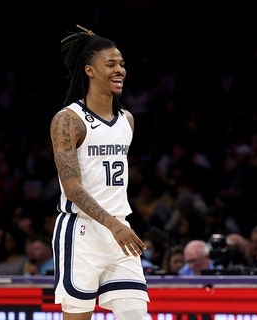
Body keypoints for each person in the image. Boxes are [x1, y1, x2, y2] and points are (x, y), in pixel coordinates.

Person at [50, 25, 149, 320]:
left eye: (122, 64)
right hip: (81, 232)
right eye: (111, 64)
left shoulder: (127, 120)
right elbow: (73, 188)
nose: (120, 70)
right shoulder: (68, 120)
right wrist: (112, 225)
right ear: (90, 71)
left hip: (120, 232)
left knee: (136, 316)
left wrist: (118, 225)